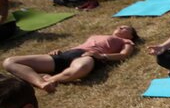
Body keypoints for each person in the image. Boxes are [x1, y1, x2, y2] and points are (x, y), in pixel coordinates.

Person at [3, 25, 138, 93]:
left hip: (89, 56)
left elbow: (124, 55)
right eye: (120, 26)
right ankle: (40, 82)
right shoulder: (99, 35)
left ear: (131, 36)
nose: (121, 27)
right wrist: (59, 52)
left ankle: (51, 80)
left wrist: (101, 56)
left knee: (81, 68)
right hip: (68, 54)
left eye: (126, 28)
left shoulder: (126, 41)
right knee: (10, 62)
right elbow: (80, 46)